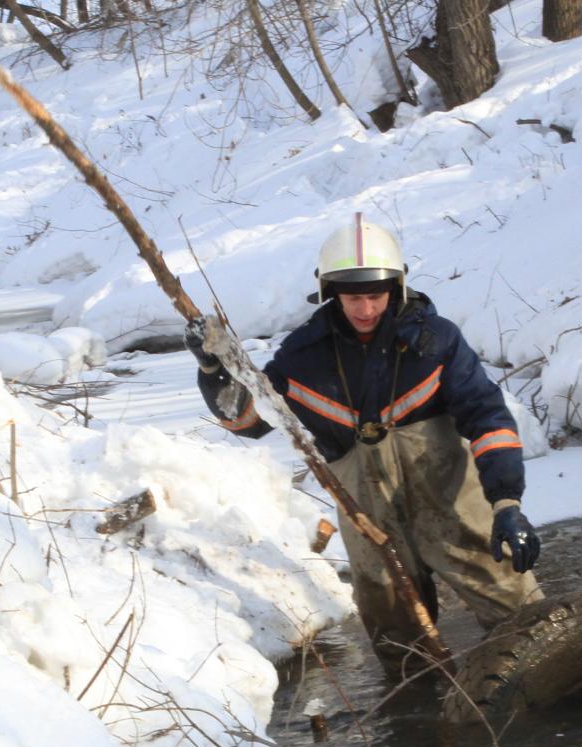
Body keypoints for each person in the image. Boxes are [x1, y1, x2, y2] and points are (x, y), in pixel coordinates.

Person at [189, 213, 544, 668]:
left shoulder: (437, 344)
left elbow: (488, 419)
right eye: (353, 297)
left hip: (454, 510)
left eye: (375, 296)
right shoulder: (302, 357)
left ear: (395, 288)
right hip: (371, 526)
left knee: (526, 621)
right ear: (329, 293)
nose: (366, 309)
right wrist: (212, 369)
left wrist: (506, 504)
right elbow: (247, 421)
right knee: (402, 653)